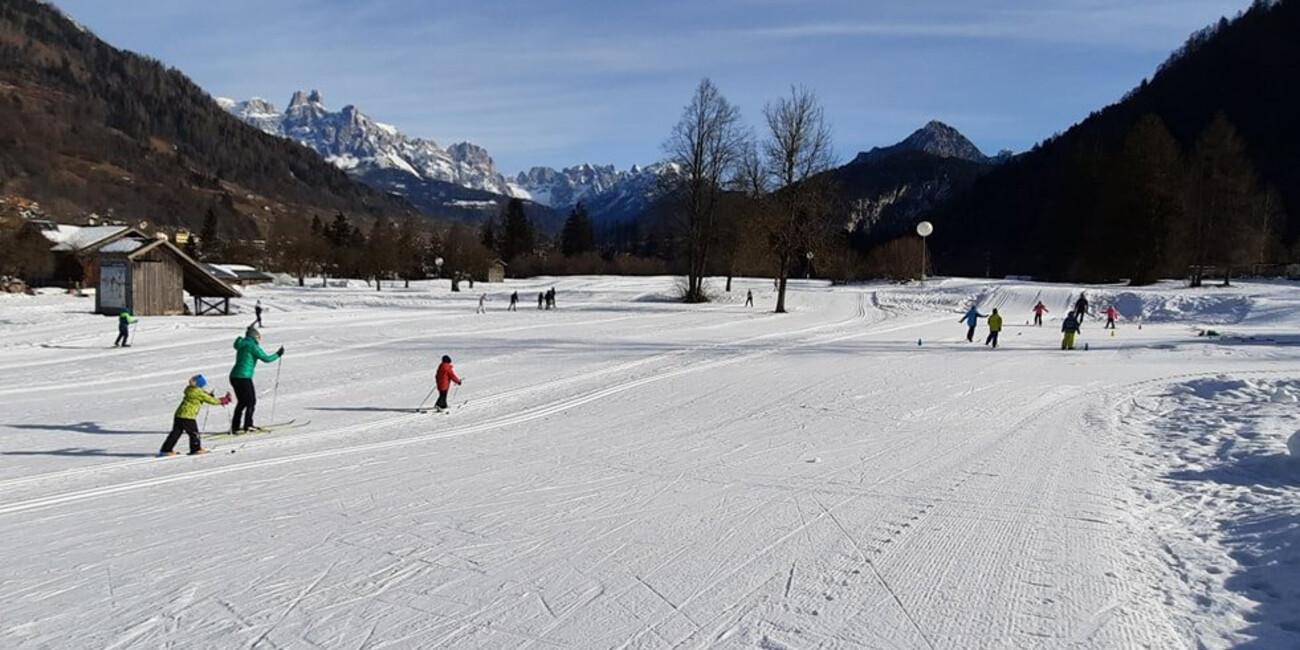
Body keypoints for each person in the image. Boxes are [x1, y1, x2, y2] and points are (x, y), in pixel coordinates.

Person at [160, 375, 231, 456]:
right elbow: (212, 401)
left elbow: (203, 396)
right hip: (188, 416)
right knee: (194, 433)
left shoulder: (190, 389)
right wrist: (223, 400)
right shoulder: (198, 392)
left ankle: (166, 449)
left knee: (175, 433)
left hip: (179, 414)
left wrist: (208, 395)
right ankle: (196, 448)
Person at [229, 327, 283, 434]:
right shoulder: (252, 346)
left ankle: (235, 426)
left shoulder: (242, 344)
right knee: (251, 401)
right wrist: (278, 354)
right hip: (244, 377)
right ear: (254, 337)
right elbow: (266, 359)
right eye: (258, 337)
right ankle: (248, 425)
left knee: (242, 402)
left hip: (234, 376)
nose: (259, 339)